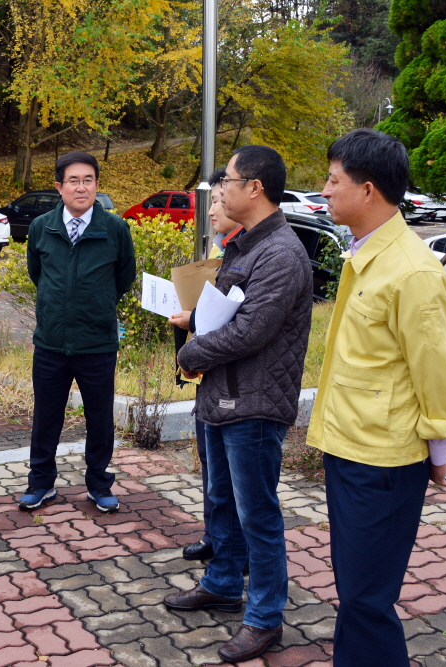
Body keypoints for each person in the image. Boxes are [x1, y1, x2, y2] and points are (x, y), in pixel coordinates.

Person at [307, 129, 446, 666]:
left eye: (333, 180)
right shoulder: (366, 252)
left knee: (368, 599)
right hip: (351, 447)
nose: (323, 190)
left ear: (367, 190)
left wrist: (441, 457)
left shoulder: (415, 272)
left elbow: (439, 375)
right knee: (356, 591)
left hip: (385, 462)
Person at [162, 146, 313, 663]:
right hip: (220, 396)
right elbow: (223, 312)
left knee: (258, 515)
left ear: (255, 187)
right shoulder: (244, 245)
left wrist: (191, 349)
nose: (218, 188)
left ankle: (265, 616)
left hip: (254, 404)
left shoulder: (282, 254)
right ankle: (223, 582)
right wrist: (193, 326)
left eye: (225, 179)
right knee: (221, 502)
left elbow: (250, 330)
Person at [18, 151, 136, 513]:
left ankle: (99, 484)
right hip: (51, 342)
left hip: (97, 342)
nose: (81, 187)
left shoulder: (114, 228)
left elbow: (124, 277)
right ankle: (40, 483)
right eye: (73, 180)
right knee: (46, 416)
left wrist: (97, 303)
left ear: (96, 185)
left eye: (88, 180)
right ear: (59, 187)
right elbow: (36, 273)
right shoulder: (41, 227)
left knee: (99, 418)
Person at [171, 167, 243, 563]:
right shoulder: (219, 247)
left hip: (230, 379)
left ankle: (232, 548)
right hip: (208, 372)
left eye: (220, 199)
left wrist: (193, 321)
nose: (214, 208)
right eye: (212, 200)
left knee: (232, 479)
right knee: (210, 466)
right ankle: (215, 537)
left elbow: (239, 325)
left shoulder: (253, 253)